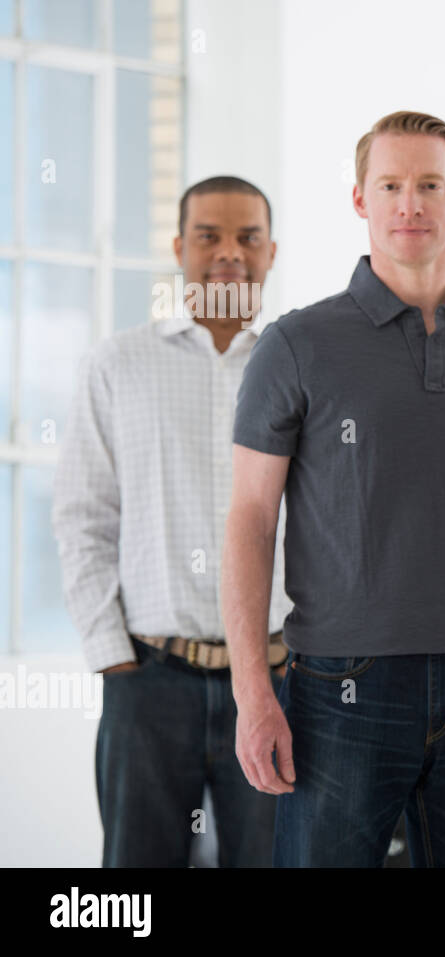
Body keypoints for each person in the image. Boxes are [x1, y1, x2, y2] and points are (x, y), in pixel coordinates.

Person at [225, 111, 445, 867]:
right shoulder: (296, 344)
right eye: (392, 185)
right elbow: (249, 517)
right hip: (343, 685)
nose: (411, 204)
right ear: (359, 199)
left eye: (429, 185)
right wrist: (252, 691)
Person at [52, 175, 291, 866]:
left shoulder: (300, 362)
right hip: (150, 680)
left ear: (271, 251)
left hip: (277, 680)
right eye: (210, 236)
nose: (229, 253)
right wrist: (112, 654)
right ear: (179, 247)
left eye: (248, 237)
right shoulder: (119, 363)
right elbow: (82, 514)